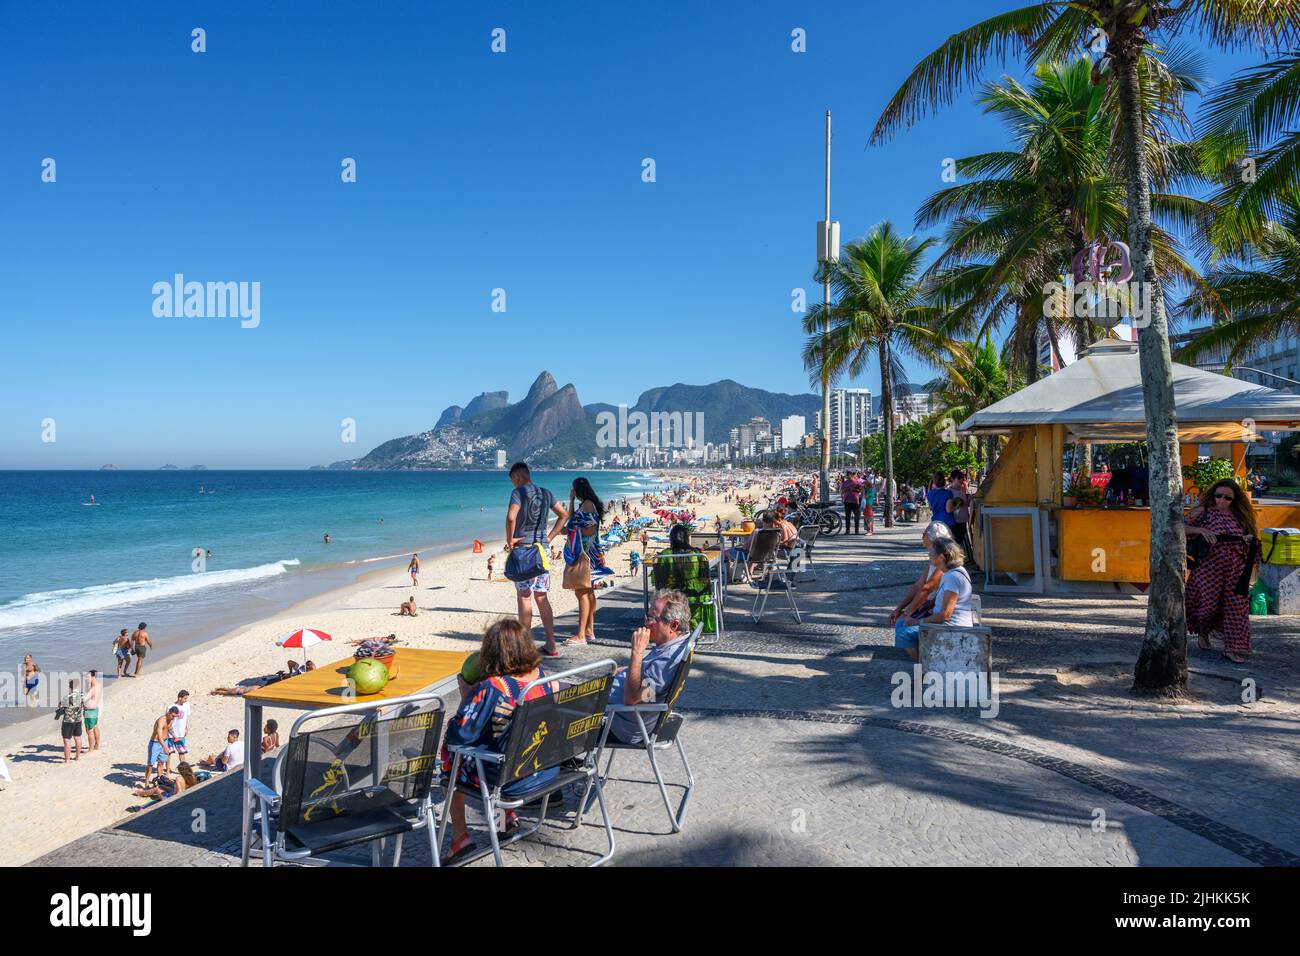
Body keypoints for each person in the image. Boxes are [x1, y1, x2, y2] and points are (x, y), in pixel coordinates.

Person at [439, 618, 559, 864]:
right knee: (499, 742)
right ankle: (506, 821)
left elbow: (459, 736)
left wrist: (466, 697)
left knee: (451, 756)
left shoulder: (493, 687)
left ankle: (460, 838)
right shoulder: (542, 677)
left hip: (510, 781)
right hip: (544, 769)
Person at [604, 590, 694, 744]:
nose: (646, 623)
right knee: (555, 688)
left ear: (674, 625)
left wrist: (637, 652)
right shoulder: (673, 645)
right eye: (648, 616)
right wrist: (627, 669)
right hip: (614, 708)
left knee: (554, 698)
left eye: (653, 618)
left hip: (619, 722)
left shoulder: (668, 661)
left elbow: (633, 699)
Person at [1185, 479, 1258, 664]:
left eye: (1227, 497)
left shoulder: (1241, 516)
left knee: (1236, 608)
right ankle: (1203, 632)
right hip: (1209, 568)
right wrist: (1200, 530)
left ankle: (1232, 648)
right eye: (1219, 496)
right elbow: (1180, 527)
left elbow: (1251, 536)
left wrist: (1248, 539)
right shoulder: (1203, 512)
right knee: (1207, 606)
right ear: (1212, 495)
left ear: (1235, 499)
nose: (1222, 500)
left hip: (1236, 568)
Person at [504, 462, 568, 657]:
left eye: (513, 481)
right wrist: (549, 538)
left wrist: (510, 539)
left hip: (525, 551)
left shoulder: (518, 493)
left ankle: (525, 647)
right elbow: (563, 515)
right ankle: (551, 644)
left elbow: (510, 517)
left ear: (517, 478)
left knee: (525, 596)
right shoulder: (546, 493)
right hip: (543, 552)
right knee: (542, 596)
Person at [894, 538, 974, 662]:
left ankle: (928, 667)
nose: (929, 557)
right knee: (901, 623)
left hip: (952, 627)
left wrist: (919, 622)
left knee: (904, 633)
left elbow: (945, 615)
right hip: (947, 624)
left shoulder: (953, 577)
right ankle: (929, 662)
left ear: (941, 557)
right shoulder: (950, 572)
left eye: (931, 554)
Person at [561, 476, 611, 647]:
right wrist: (571, 500)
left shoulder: (588, 504)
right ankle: (589, 631)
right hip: (590, 552)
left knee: (582, 592)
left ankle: (581, 635)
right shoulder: (588, 503)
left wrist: (572, 530)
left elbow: (589, 527)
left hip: (586, 554)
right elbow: (573, 518)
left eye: (573, 490)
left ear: (578, 489)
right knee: (588, 592)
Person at [132, 762, 197, 803]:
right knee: (165, 783)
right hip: (181, 791)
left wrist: (169, 798)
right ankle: (143, 792)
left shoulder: (179, 778)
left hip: (174, 796)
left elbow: (179, 793)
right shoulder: (192, 776)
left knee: (157, 789)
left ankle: (141, 793)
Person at [145, 708, 178, 785]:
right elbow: (159, 737)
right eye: (173, 716)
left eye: (175, 716)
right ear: (169, 713)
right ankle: (146, 781)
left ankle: (160, 780)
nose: (173, 718)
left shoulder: (171, 719)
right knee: (150, 764)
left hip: (165, 741)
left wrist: (174, 736)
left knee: (161, 762)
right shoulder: (161, 721)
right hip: (155, 743)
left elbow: (169, 728)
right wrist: (165, 747)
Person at [57, 679, 85, 763]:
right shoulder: (82, 695)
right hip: (78, 720)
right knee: (77, 738)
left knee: (67, 740)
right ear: (78, 686)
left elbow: (60, 706)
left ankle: (67, 759)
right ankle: (77, 757)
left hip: (68, 721)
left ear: (70, 687)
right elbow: (84, 704)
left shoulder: (67, 697)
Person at [167, 690, 191, 770]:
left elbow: (186, 717)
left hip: (181, 733)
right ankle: (168, 768)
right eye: (184, 698)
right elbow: (167, 720)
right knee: (169, 752)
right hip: (171, 734)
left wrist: (186, 728)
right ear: (179, 698)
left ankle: (183, 768)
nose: (186, 700)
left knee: (182, 752)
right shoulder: (170, 707)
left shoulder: (187, 705)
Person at [83, 670, 102, 751]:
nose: (86, 679)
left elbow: (84, 699)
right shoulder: (98, 684)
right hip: (95, 709)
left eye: (87, 677)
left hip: (90, 711)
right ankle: (97, 745)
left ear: (93, 677)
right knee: (95, 727)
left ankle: (91, 749)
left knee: (89, 731)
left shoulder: (93, 687)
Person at [839, 471, 862, 535]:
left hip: (855, 501)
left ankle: (856, 530)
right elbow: (842, 491)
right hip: (847, 501)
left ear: (851, 475)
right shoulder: (845, 482)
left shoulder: (856, 481)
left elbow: (861, 489)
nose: (847, 476)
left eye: (848, 475)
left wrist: (854, 490)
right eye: (847, 475)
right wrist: (846, 490)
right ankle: (847, 530)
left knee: (856, 516)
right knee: (847, 517)